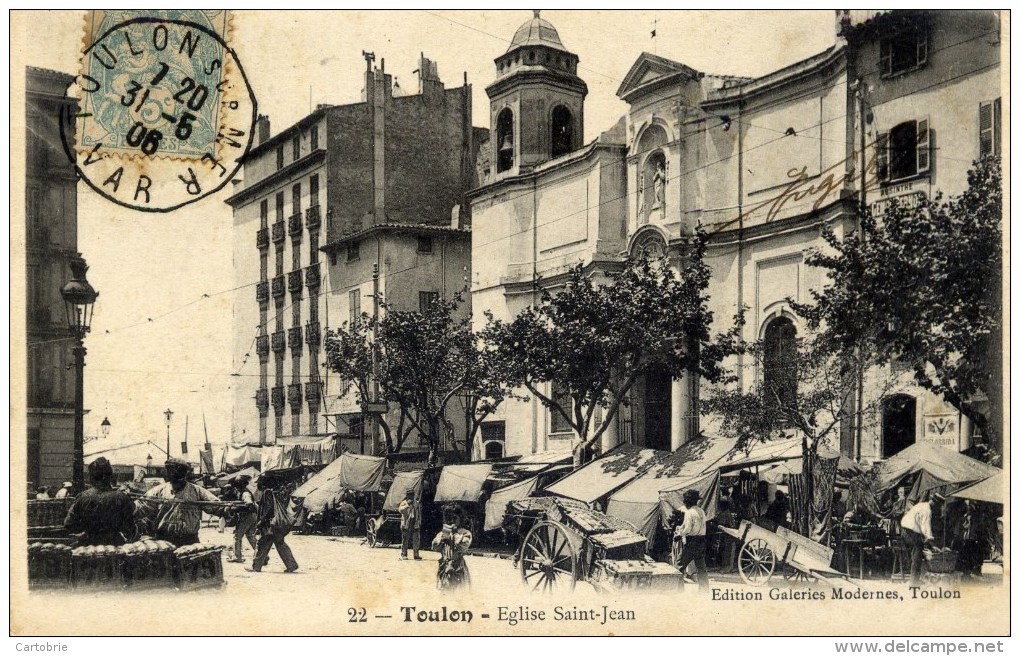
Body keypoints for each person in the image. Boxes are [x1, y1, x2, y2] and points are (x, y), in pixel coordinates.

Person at [139, 459, 225, 547]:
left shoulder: (197, 491)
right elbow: (141, 507)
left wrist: (229, 509)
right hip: (164, 541)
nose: (167, 473)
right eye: (167, 470)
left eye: (171, 470)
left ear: (181, 473)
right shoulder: (158, 491)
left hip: (189, 541)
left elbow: (216, 506)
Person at [64, 457, 137, 546]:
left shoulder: (82, 497)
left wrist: (85, 532)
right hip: (115, 548)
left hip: (88, 547)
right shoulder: (121, 498)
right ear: (110, 477)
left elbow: (68, 524)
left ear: (91, 478)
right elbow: (130, 529)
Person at [251, 476, 299, 573]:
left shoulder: (267, 492)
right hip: (275, 525)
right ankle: (292, 564)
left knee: (262, 544)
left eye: (259, 483)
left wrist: (262, 521)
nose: (257, 486)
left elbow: (269, 508)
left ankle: (256, 567)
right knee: (280, 544)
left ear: (263, 484)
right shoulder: (274, 492)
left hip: (270, 524)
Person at [900, 494, 942, 587]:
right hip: (909, 531)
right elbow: (926, 528)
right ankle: (914, 582)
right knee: (918, 553)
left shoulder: (921, 504)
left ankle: (914, 579)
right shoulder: (927, 511)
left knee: (917, 552)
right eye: (938, 507)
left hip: (906, 530)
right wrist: (933, 544)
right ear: (935, 504)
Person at [673, 489, 709, 591]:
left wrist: (679, 535)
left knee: (679, 565)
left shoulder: (689, 513)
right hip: (702, 541)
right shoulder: (701, 511)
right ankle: (704, 589)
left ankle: (678, 589)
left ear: (688, 501)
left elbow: (688, 529)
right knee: (701, 567)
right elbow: (702, 527)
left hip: (692, 541)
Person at [432, 505, 472, 591]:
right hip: (444, 565)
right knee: (444, 590)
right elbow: (435, 547)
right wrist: (442, 539)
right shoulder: (443, 533)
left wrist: (456, 535)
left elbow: (465, 545)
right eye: (449, 518)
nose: (452, 521)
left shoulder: (465, 533)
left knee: (458, 591)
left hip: (458, 566)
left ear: (460, 518)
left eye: (455, 518)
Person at [228, 476, 258, 563]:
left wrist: (235, 508)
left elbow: (248, 503)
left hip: (246, 516)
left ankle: (237, 557)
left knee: (237, 537)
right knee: (250, 536)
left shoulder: (245, 493)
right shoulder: (244, 492)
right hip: (252, 516)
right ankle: (262, 554)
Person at [398, 488, 422, 561]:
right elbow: (400, 510)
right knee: (405, 539)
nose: (411, 496)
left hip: (414, 523)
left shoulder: (416, 503)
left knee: (416, 539)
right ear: (407, 495)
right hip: (406, 524)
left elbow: (419, 512)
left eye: (412, 495)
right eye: (410, 495)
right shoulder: (404, 503)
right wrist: (407, 505)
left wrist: (419, 521)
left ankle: (416, 555)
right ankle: (404, 554)